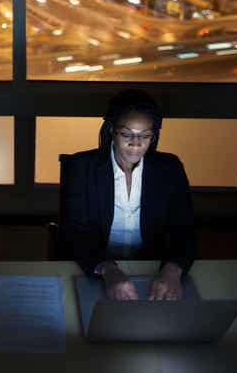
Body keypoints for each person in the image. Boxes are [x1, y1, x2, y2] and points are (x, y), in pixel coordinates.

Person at [58, 89, 195, 301]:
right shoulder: (81, 167)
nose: (136, 143)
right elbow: (74, 231)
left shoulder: (170, 169)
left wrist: (173, 268)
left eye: (145, 136)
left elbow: (184, 228)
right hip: (97, 268)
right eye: (127, 134)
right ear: (112, 130)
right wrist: (107, 268)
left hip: (152, 268)